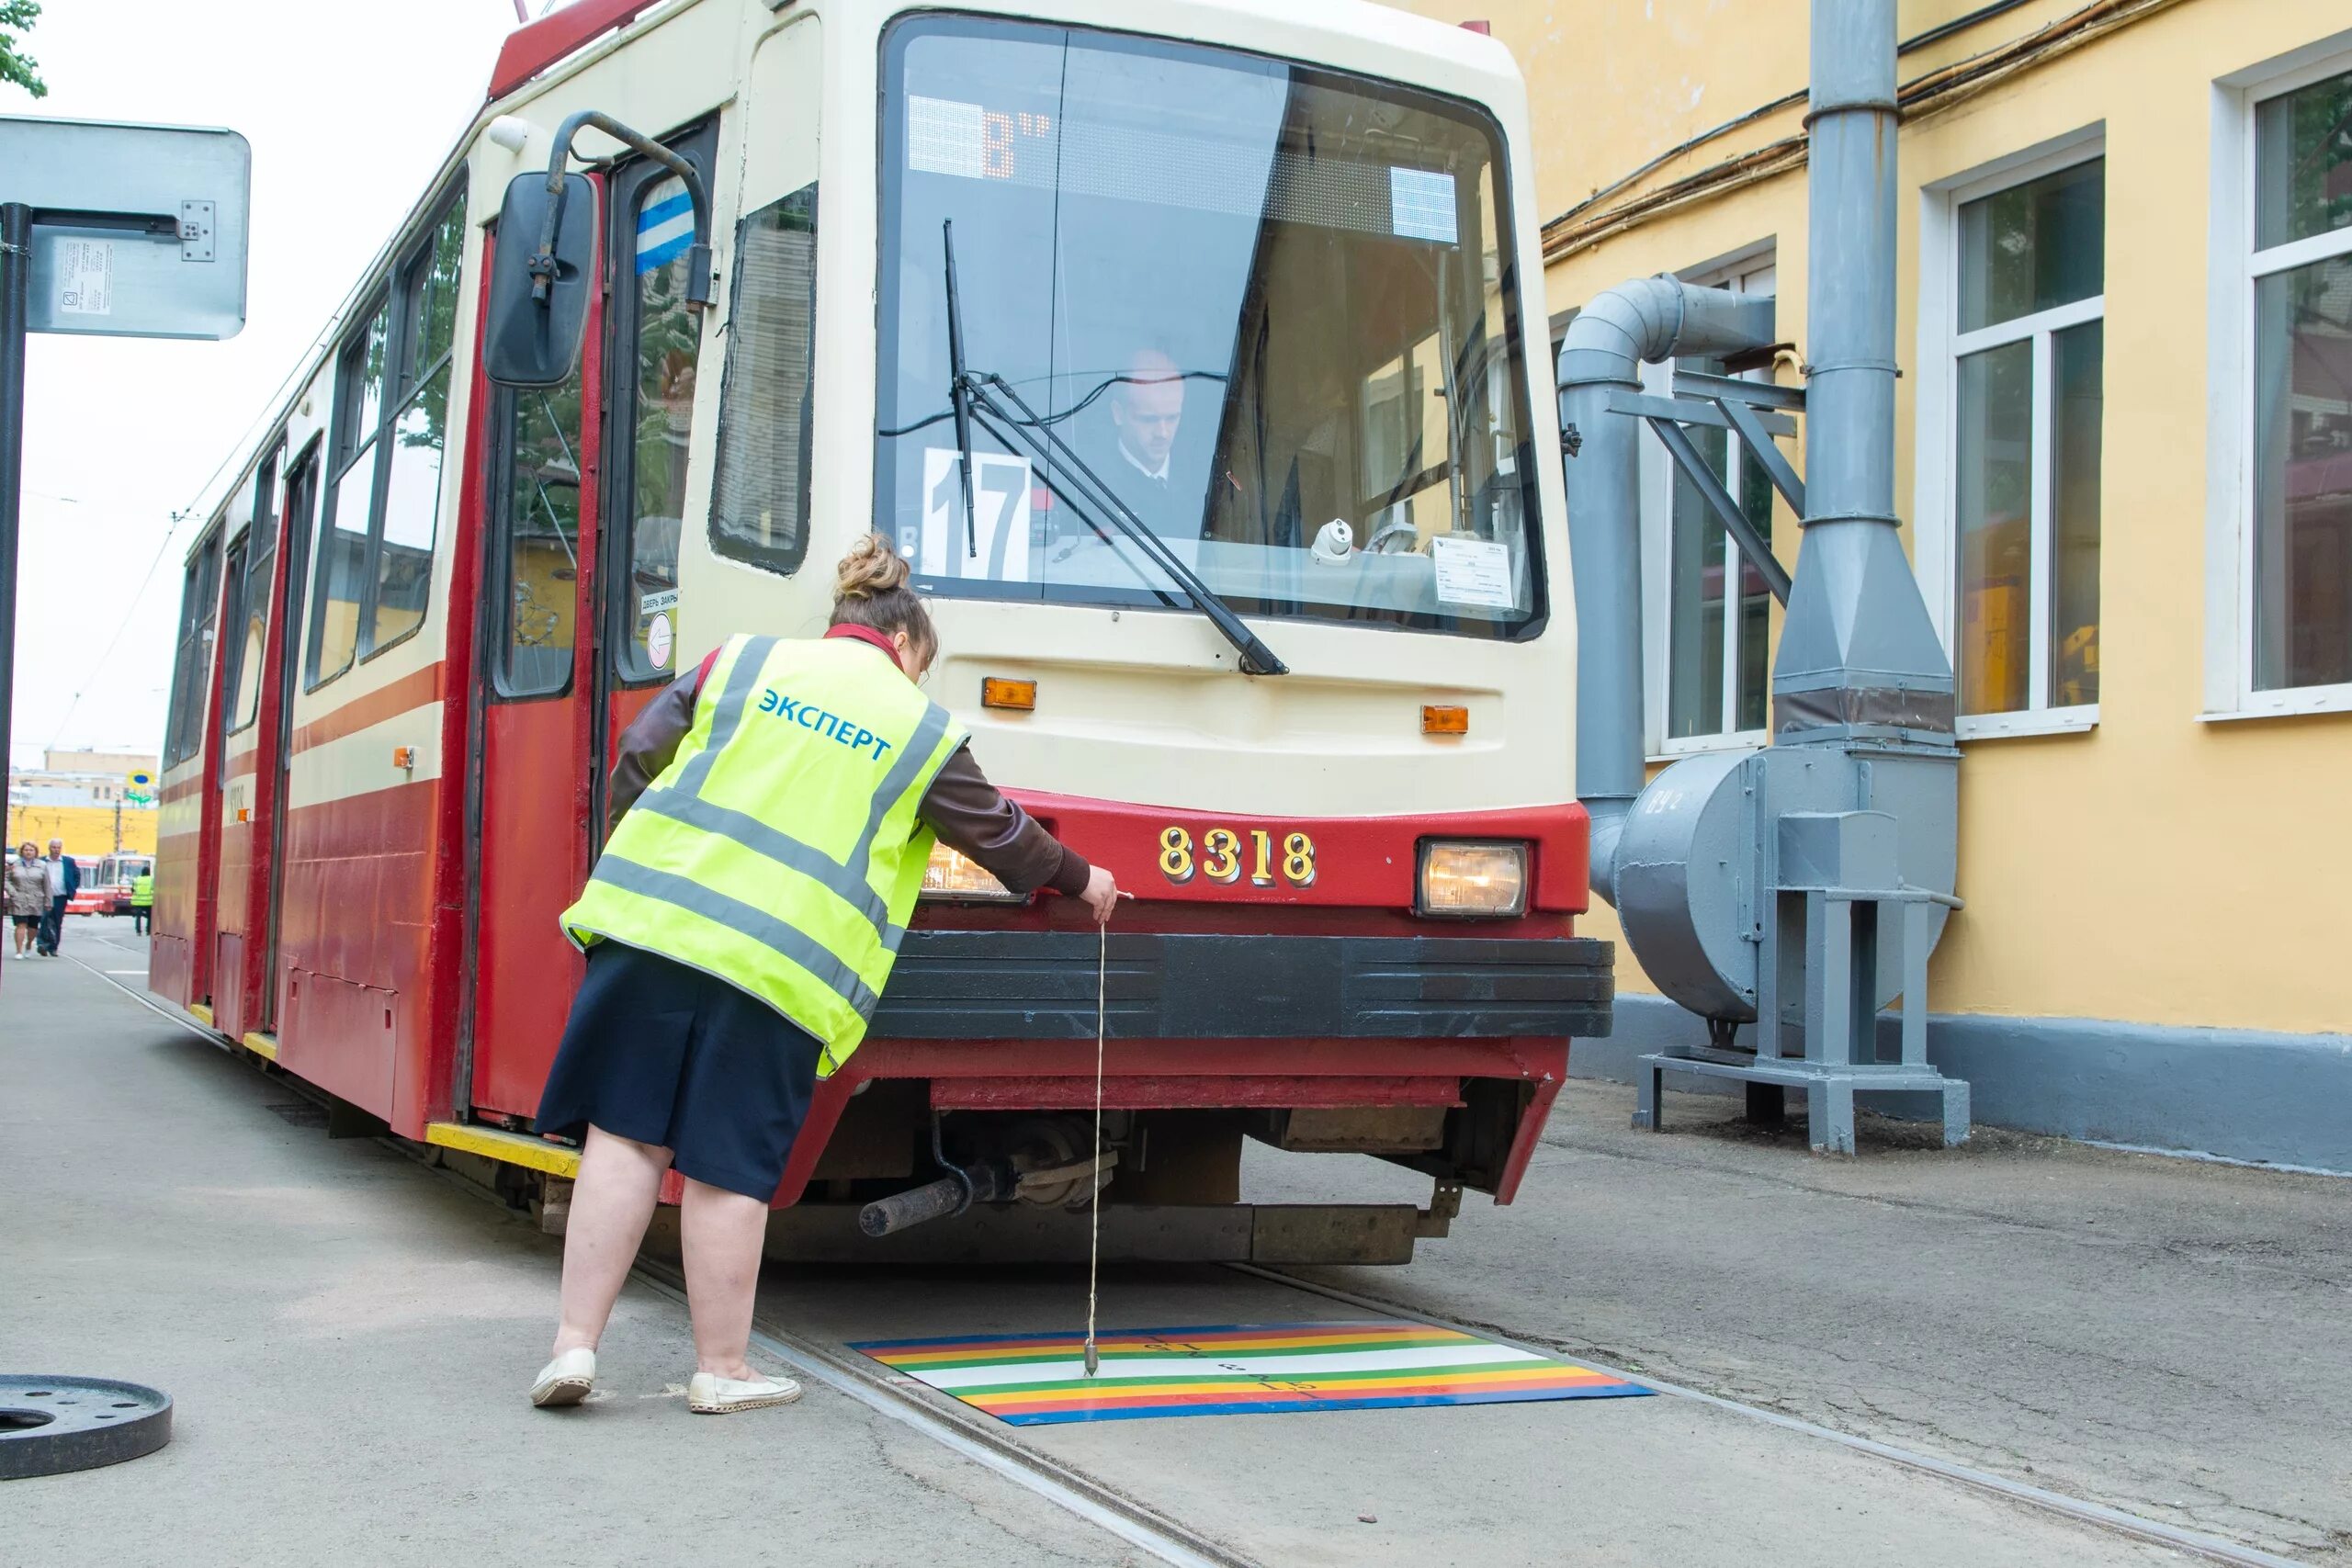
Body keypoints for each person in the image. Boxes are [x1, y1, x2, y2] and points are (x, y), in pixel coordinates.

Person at [529, 532, 1120, 1416]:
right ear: (910, 646)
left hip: (651, 926)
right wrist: (1088, 883)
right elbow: (1003, 836)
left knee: (624, 1140)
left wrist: (643, 852)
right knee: (727, 1170)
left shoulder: (743, 662)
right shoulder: (916, 726)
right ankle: (720, 1369)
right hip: (774, 966)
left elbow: (636, 756)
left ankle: (573, 1350)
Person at [1103, 347, 1190, 536]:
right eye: (1149, 419)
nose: (1163, 433)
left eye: (1173, 417)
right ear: (1118, 414)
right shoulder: (1087, 486)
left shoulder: (1207, 478)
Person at [35, 838, 78, 957]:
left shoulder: (68, 862)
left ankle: (53, 947)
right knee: (43, 920)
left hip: (60, 896)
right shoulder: (41, 861)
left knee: (57, 922)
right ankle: (42, 944)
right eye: (54, 847)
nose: (56, 850)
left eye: (58, 847)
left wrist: (72, 888)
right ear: (49, 848)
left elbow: (76, 876)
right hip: (44, 896)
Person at [8, 843, 48, 959]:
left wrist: (48, 901)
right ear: (22, 851)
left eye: (31, 850)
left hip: (36, 899)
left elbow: (47, 884)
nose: (28, 852)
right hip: (19, 898)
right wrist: (13, 892)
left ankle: (29, 944)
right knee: (21, 924)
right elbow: (6, 879)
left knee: (32, 927)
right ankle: (19, 951)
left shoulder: (42, 865)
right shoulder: (14, 864)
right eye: (26, 850)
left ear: (35, 852)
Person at [130, 868, 154, 935]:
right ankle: (148, 931)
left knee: (138, 917)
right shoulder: (152, 880)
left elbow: (132, 890)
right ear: (149, 873)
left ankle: (138, 931)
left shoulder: (137, 879)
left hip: (138, 902)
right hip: (149, 901)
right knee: (149, 917)